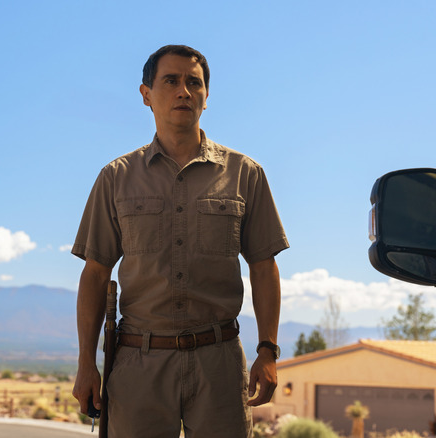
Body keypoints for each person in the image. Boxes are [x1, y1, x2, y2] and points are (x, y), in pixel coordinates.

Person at [71, 44, 289, 437]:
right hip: (139, 365)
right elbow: (96, 272)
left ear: (206, 96)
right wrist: (87, 363)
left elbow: (263, 266)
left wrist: (268, 350)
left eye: (194, 83)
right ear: (146, 94)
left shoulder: (245, 174)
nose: (184, 91)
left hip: (219, 364)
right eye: (170, 81)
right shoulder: (116, 178)